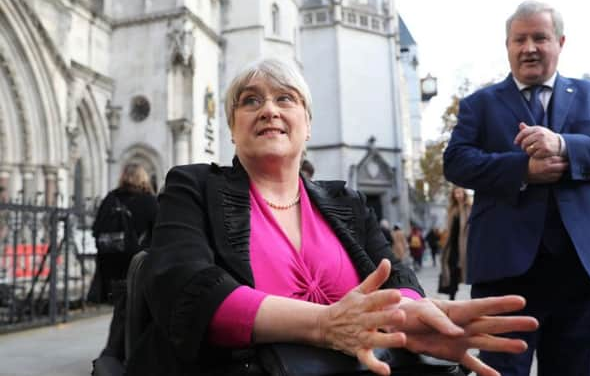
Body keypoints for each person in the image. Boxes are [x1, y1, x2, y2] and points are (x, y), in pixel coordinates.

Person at [126, 58, 538, 376]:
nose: (268, 109)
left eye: (285, 98)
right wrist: (325, 323)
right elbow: (187, 288)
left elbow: (396, 276)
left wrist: (410, 315)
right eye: (250, 100)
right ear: (233, 128)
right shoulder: (193, 186)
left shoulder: (345, 200)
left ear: (308, 125)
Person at [443, 0, 590, 376]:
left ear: (560, 42)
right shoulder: (479, 105)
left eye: (540, 38)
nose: (528, 47)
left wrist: (564, 145)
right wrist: (523, 169)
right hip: (506, 270)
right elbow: (456, 162)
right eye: (519, 39)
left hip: (586, 270)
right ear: (507, 46)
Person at [89, 163, 158, 362]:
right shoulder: (149, 202)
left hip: (111, 268)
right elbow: (158, 234)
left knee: (122, 310)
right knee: (128, 313)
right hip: (137, 268)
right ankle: (112, 356)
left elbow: (96, 230)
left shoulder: (111, 198)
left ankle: (119, 354)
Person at [439, 187, 470, 300]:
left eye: (460, 192)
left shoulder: (468, 208)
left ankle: (454, 291)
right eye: (456, 193)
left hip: (464, 245)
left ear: (464, 193)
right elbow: (449, 228)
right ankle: (452, 295)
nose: (458, 195)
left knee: (459, 270)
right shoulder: (452, 209)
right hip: (452, 245)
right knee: (451, 268)